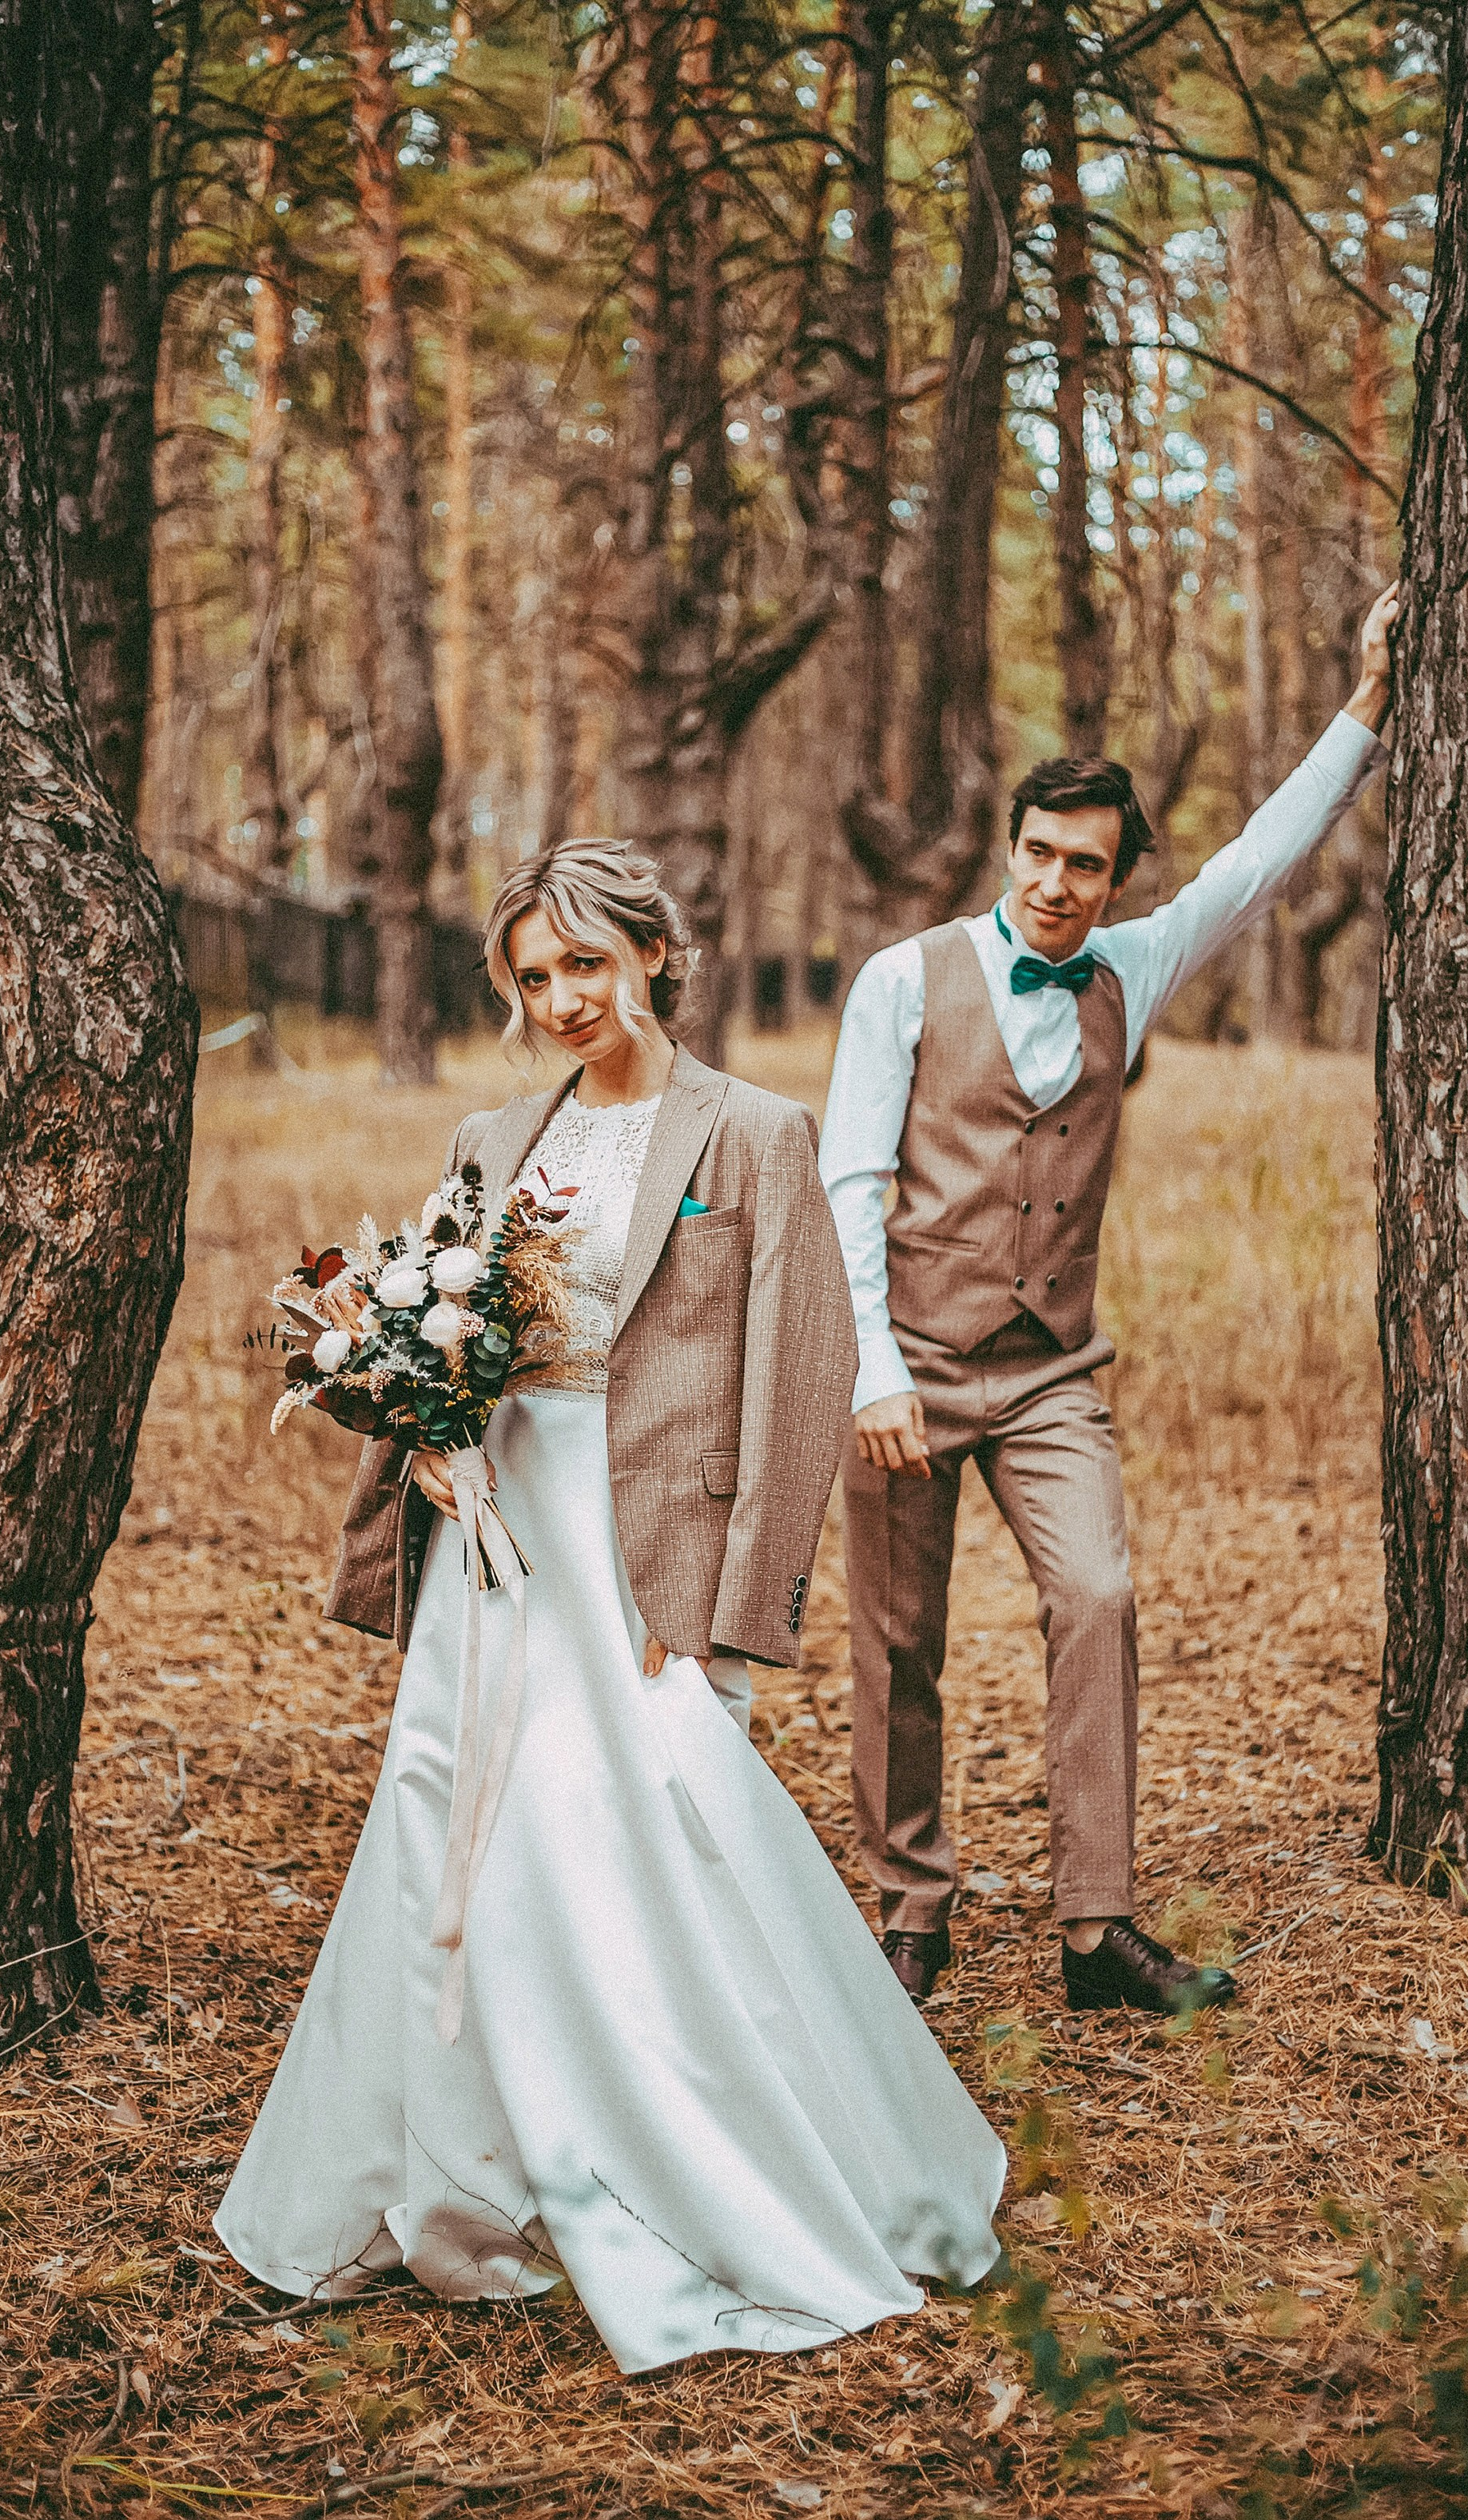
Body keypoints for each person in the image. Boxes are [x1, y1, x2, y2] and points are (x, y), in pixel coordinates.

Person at [215, 839, 1004, 2375]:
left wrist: (735, 1608)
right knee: (462, 1827)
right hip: (498, 1540)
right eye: (533, 976)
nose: (564, 997)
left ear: (654, 954)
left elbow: (799, 1381)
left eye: (588, 963)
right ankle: (458, 2174)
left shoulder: (755, 1135)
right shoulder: (492, 1134)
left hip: (648, 1562)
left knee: (660, 1830)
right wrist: (428, 1439)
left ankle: (740, 2159)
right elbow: (440, 1329)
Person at [820, 583, 1399, 2014]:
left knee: (1101, 1593)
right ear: (1010, 848)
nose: (1056, 884)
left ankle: (1096, 1930)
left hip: (1049, 1372)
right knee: (899, 1643)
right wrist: (869, 1369)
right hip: (910, 1364)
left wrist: (1369, 701)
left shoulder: (1131, 971)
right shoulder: (904, 979)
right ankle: (912, 1907)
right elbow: (845, 1178)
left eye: (1086, 864)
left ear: (1119, 876)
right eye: (1038, 854)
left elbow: (1261, 863)